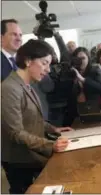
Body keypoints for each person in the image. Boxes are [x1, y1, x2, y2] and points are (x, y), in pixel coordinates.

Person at [1, 39, 73, 194]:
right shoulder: (9, 88)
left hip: (31, 155)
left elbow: (33, 118)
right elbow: (16, 133)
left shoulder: (27, 84)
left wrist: (54, 129)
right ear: (28, 61)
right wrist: (50, 145)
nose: (48, 69)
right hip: (20, 162)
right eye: (44, 63)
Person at [63, 47, 101, 126]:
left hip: (92, 109)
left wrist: (82, 79)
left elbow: (100, 88)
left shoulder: (95, 69)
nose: (81, 61)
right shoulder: (71, 71)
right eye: (78, 59)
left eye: (83, 58)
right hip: (74, 111)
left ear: (88, 58)